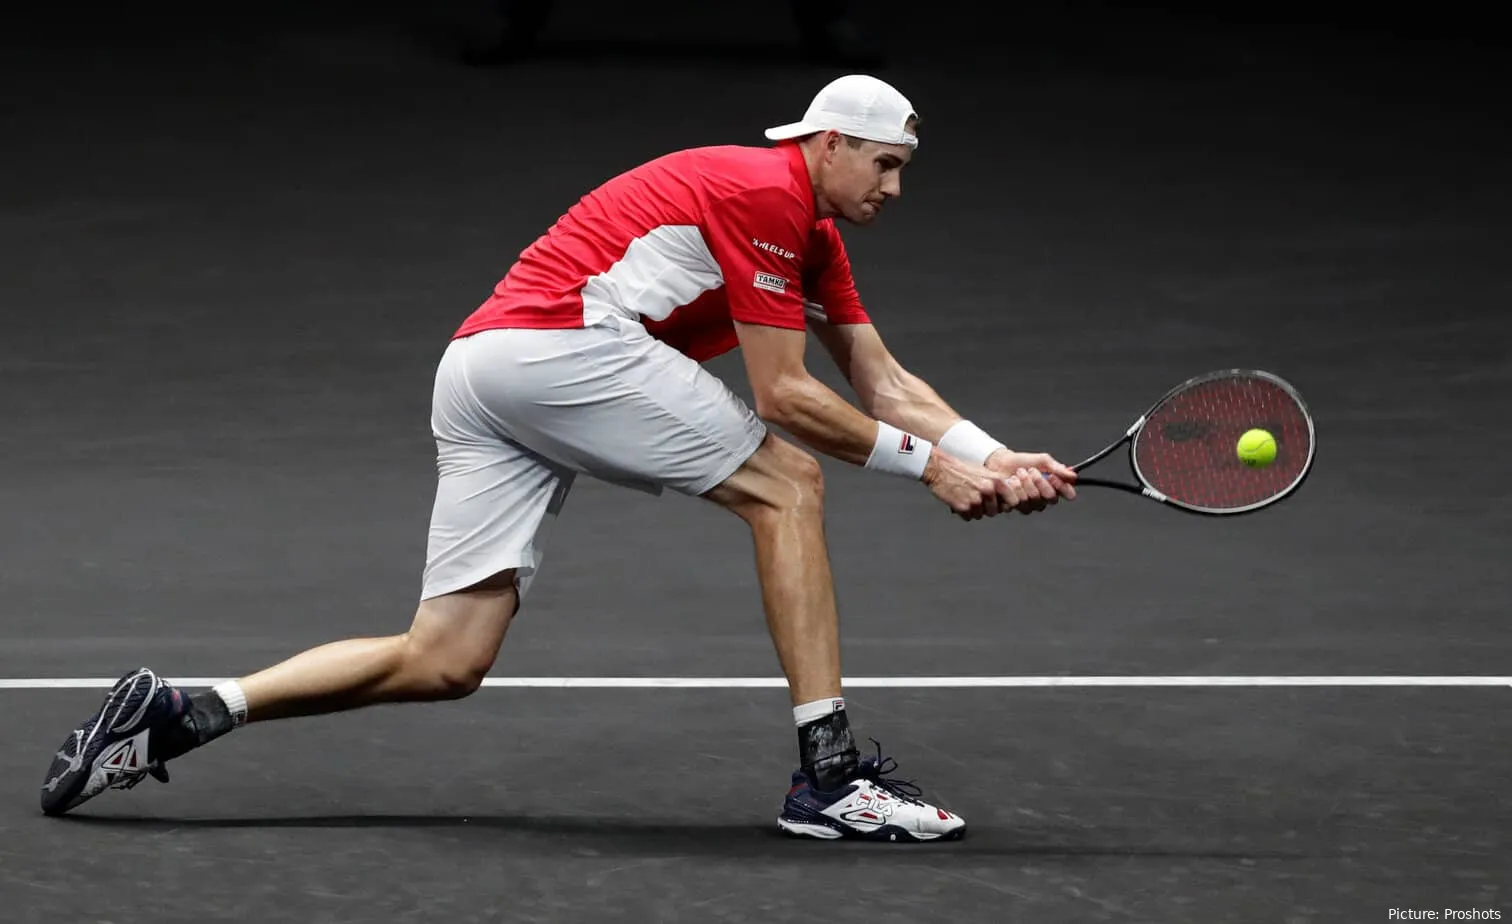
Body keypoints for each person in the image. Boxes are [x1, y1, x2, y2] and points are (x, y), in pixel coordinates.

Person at [39, 74, 1077, 842]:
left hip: (485, 370)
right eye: (885, 164)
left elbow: (883, 382)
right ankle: (830, 778)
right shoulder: (767, 191)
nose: (895, 188)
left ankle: (183, 709)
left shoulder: (811, 236)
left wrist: (993, 455)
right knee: (786, 481)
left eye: (903, 170)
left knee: (444, 658)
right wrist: (930, 470)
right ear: (828, 145)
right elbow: (788, 397)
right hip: (558, 349)